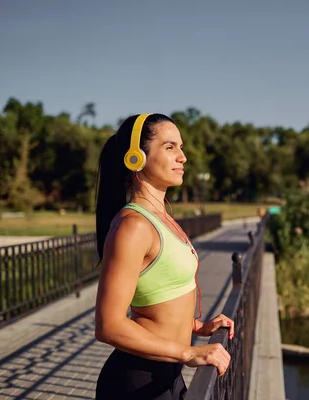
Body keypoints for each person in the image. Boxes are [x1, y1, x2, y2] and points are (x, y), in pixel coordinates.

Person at [93, 113, 233, 400]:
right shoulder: (134, 226)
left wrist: (199, 327)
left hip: (168, 373)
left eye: (181, 147)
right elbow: (108, 325)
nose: (182, 157)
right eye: (170, 147)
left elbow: (159, 301)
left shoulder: (162, 218)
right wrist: (188, 351)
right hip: (137, 380)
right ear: (136, 158)